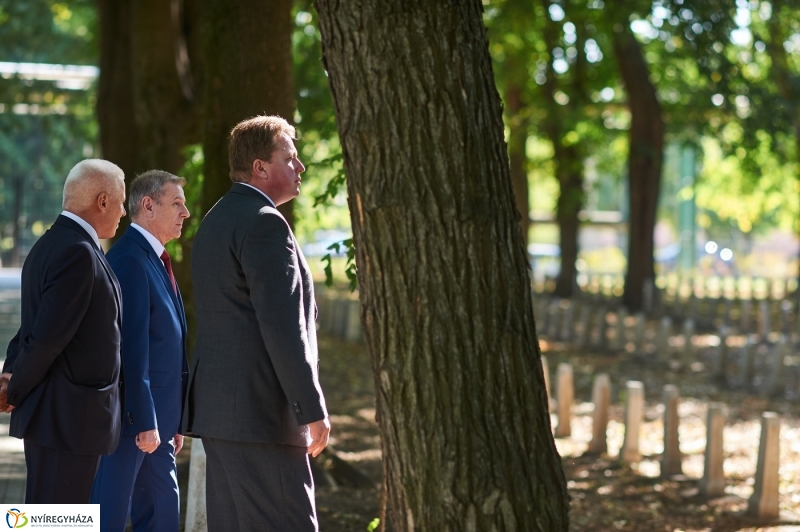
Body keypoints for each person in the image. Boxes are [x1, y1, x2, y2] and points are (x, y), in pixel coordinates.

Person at [183, 115, 330, 531]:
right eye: (290, 157)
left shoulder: (215, 219)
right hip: (261, 418)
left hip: (222, 416)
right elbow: (283, 328)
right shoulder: (264, 223)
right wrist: (311, 408)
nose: (300, 167)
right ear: (260, 168)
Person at [0, 159, 126, 503]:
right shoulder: (78, 252)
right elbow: (47, 338)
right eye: (121, 201)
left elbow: (33, 325)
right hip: (67, 419)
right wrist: (14, 389)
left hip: (63, 418)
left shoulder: (52, 243)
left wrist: (11, 374)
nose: (123, 211)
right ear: (102, 201)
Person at [90, 171, 190, 531]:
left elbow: (166, 345)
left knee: (162, 516)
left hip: (159, 422)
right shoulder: (130, 259)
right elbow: (129, 349)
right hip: (134, 423)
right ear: (148, 206)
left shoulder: (155, 257)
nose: (186, 212)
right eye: (176, 203)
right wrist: (146, 421)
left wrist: (173, 419)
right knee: (107, 518)